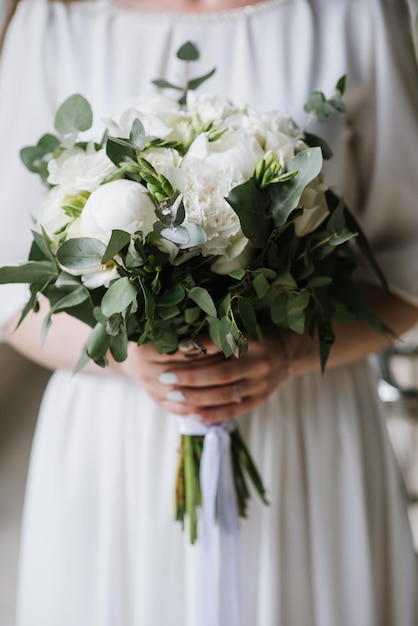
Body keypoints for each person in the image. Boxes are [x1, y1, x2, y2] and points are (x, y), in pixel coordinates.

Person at [1, 0, 418, 624]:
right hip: (117, 445)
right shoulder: (53, 19)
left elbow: (408, 266)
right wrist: (130, 358)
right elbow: (11, 290)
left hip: (309, 430)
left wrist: (292, 353)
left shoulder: (353, 12)